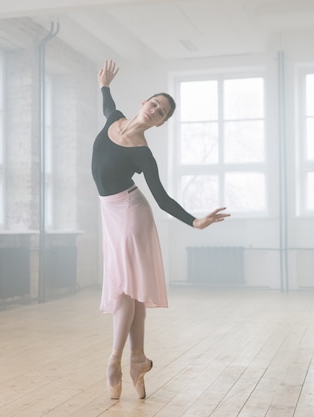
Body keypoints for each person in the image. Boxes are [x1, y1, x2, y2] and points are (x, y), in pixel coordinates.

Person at [91, 60, 229, 400]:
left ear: (161, 123)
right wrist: (104, 85)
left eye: (162, 112)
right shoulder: (114, 119)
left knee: (125, 287)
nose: (155, 110)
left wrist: (195, 221)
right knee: (133, 291)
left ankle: (113, 360)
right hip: (109, 214)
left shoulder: (143, 154)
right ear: (143, 103)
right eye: (154, 103)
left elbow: (164, 199)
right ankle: (137, 359)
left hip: (131, 212)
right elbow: (108, 105)